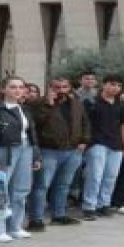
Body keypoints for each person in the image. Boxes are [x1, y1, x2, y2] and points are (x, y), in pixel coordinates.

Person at [0, 76, 41, 241]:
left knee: (21, 189)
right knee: (1, 189)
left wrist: (36, 155)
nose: (17, 90)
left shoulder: (25, 109)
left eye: (21, 87)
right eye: (13, 87)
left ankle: (15, 226)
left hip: (25, 148)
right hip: (4, 150)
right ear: (3, 89)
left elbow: (32, 133)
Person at [27, 77, 89, 229]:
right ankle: (36, 219)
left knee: (63, 184)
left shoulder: (76, 103)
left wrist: (84, 140)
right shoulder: (38, 103)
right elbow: (35, 123)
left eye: (64, 87)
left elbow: (85, 122)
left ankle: (59, 215)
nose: (61, 90)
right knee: (42, 186)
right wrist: (48, 105)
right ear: (50, 87)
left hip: (73, 150)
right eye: (57, 87)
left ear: (69, 88)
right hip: (48, 150)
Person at [82, 76, 124, 218]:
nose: (115, 88)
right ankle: (89, 206)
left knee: (111, 176)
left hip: (116, 144)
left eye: (119, 85)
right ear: (104, 85)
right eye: (112, 84)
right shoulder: (92, 102)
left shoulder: (120, 104)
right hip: (98, 143)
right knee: (95, 176)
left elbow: (123, 126)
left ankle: (104, 204)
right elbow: (85, 123)